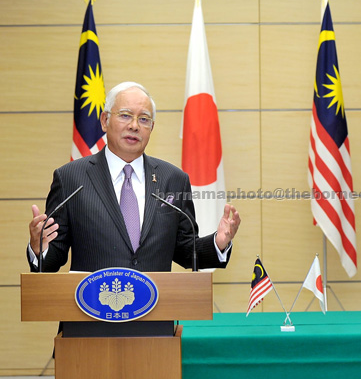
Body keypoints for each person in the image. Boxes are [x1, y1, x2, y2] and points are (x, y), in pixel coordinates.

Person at [27, 81, 240, 275]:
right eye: (125, 115)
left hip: (155, 311)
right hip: (91, 312)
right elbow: (52, 260)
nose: (134, 126)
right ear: (104, 120)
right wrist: (40, 248)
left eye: (144, 119)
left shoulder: (173, 179)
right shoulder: (71, 179)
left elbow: (185, 250)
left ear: (151, 128)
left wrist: (218, 243)